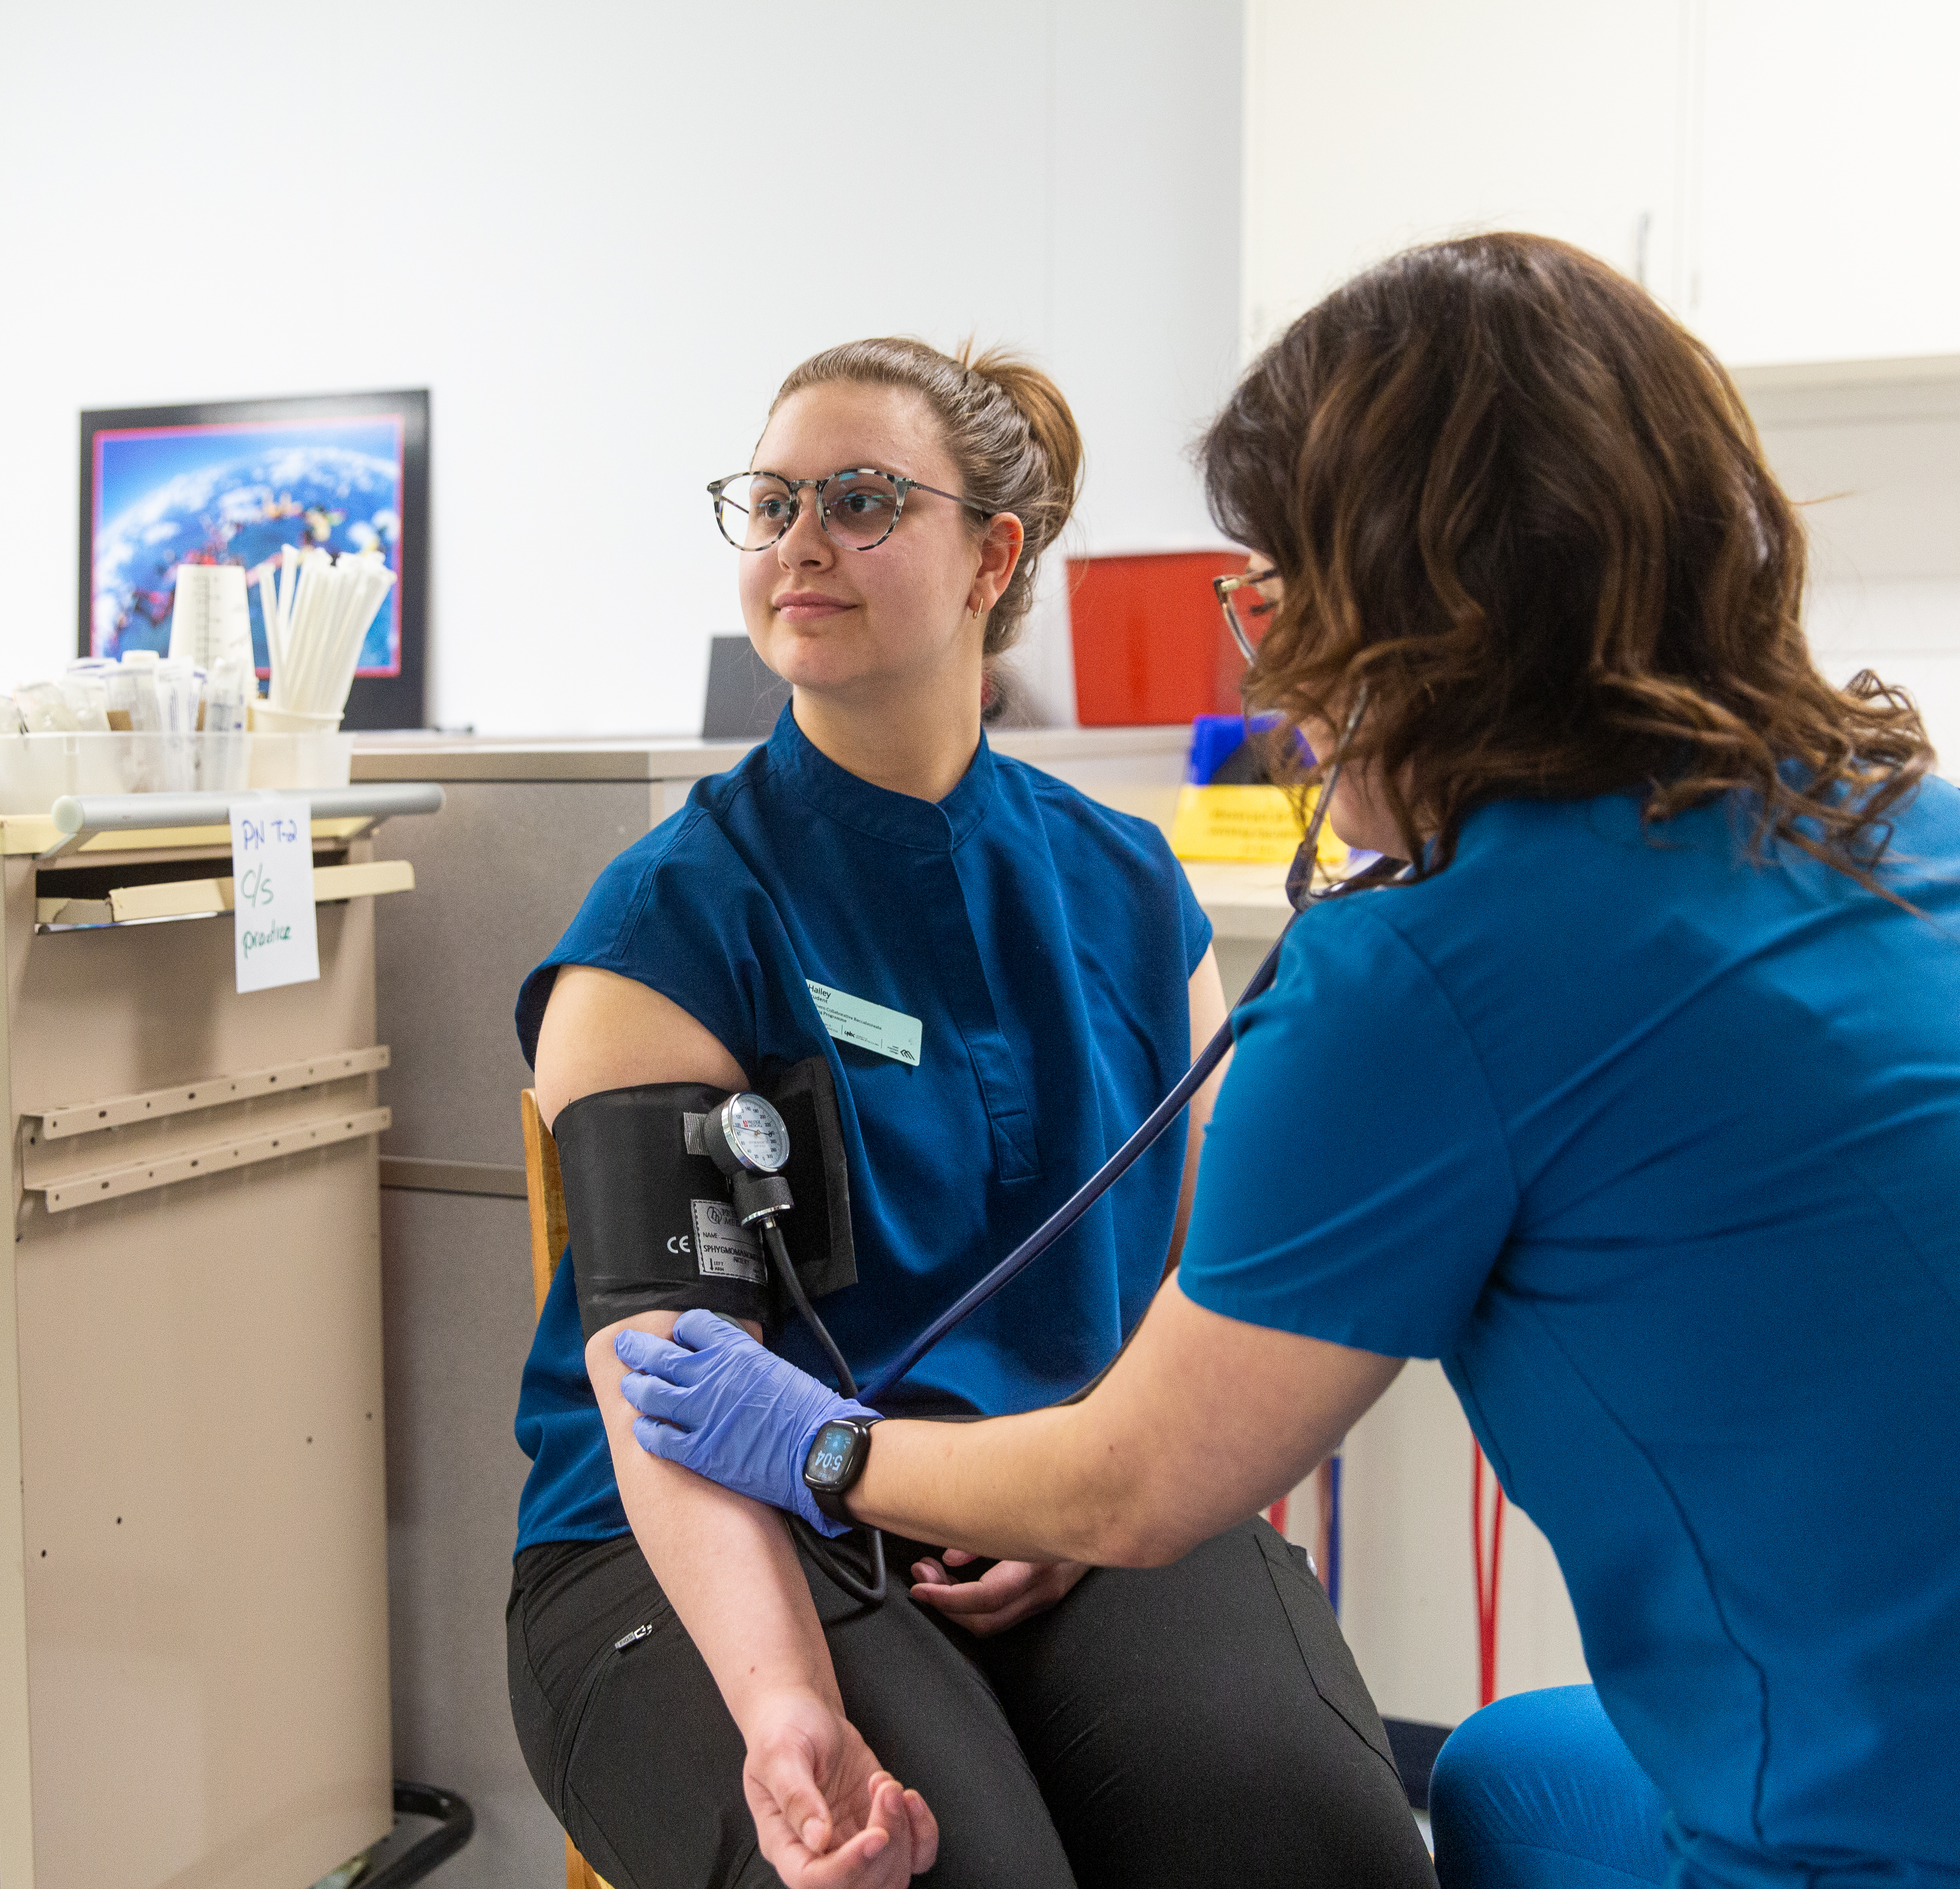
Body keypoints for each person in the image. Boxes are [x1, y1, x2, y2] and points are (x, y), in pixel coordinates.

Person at [618, 236, 1960, 1889]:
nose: (1268, 670)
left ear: (1414, 608)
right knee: (1500, 1777)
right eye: (771, 505)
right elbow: (650, 1341)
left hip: (1937, 1835)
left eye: (1279, 594)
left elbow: (1136, 1483)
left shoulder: (1410, 967)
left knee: (1311, 1830)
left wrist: (820, 1443)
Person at [507, 336, 1433, 1889]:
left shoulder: (1132, 889)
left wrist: (1101, 1488)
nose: (801, 540)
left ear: (995, 556)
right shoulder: (667, 925)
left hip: (1063, 1485)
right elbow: (662, 1380)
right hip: (716, 1530)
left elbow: (1215, 1263)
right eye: (773, 501)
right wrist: (787, 1702)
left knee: (1314, 1850)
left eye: (862, 500)